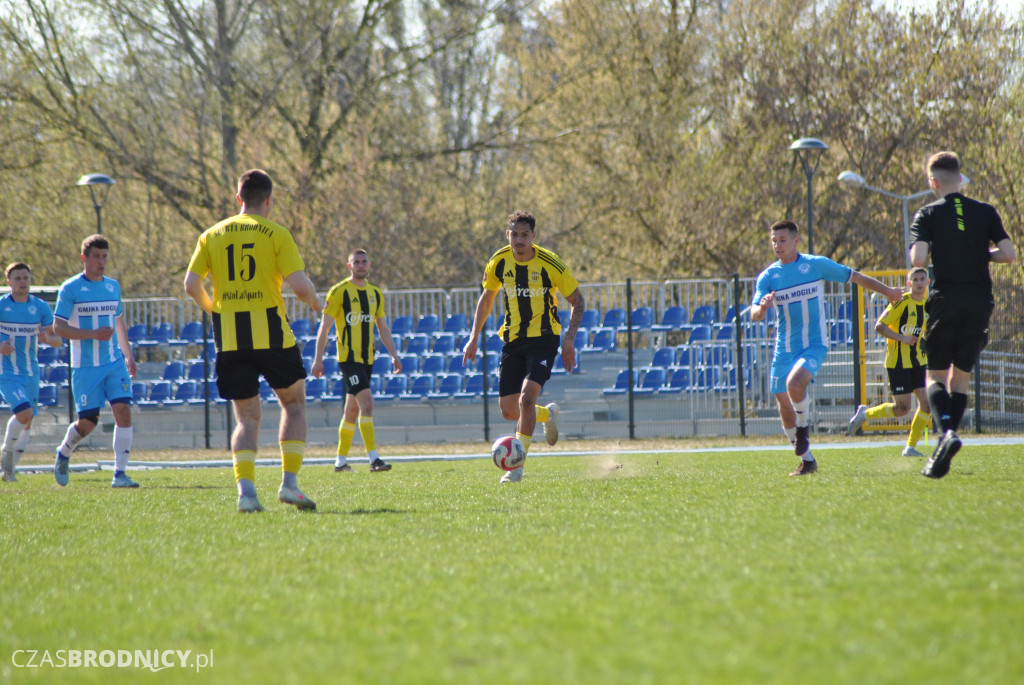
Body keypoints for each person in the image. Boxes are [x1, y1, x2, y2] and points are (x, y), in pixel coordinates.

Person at [185, 169, 324, 512]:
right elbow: (302, 288)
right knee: (293, 404)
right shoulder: (276, 233)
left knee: (246, 417)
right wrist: (319, 305)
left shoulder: (211, 235)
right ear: (269, 200)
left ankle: (246, 494)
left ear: (238, 199)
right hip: (272, 334)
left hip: (230, 338)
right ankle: (289, 485)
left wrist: (216, 310)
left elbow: (191, 284)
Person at [750, 220, 901, 476]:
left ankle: (804, 427)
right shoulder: (768, 276)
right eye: (774, 240)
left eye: (782, 240)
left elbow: (854, 276)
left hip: (814, 344)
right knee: (784, 406)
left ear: (796, 241)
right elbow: (754, 314)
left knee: (795, 384)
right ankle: (807, 460)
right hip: (784, 349)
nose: (777, 245)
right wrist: (762, 308)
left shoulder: (816, 265)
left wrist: (888, 291)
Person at [909, 151, 1015, 479]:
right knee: (961, 378)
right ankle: (948, 441)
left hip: (946, 300)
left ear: (934, 182)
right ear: (960, 178)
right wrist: (976, 252)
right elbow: (1009, 254)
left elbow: (919, 259)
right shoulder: (985, 211)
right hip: (981, 301)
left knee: (936, 376)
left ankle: (945, 434)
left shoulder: (927, 212)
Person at [462, 210, 585, 483]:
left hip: (544, 339)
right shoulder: (498, 261)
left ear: (534, 237)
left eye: (525, 235)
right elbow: (487, 299)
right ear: (508, 235)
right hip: (513, 340)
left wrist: (569, 340)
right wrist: (473, 338)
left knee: (526, 398)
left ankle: (516, 468)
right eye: (514, 234)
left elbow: (579, 301)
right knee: (509, 410)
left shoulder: (552, 265)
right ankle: (547, 414)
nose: (519, 240)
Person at [52, 235, 141, 488]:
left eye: (104, 257)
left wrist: (128, 354)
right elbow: (58, 327)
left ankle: (120, 474)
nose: (101, 262)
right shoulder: (70, 288)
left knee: (123, 411)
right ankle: (65, 451)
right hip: (85, 367)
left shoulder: (113, 286)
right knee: (88, 423)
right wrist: (92, 334)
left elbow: (119, 322)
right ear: (84, 258)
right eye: (96, 257)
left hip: (113, 363)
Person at [311, 249, 402, 474]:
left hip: (367, 359)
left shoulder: (375, 293)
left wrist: (394, 355)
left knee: (351, 411)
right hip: (348, 359)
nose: (361, 265)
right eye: (356, 262)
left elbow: (383, 328)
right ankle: (374, 460)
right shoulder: (339, 291)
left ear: (369, 264)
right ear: (349, 266)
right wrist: (318, 359)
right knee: (367, 404)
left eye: (364, 262)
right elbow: (325, 327)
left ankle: (340, 463)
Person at [848, 267, 932, 457]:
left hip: (918, 361)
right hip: (898, 363)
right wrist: (902, 338)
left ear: (927, 282)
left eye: (922, 279)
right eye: (915, 279)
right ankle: (865, 414)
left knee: (926, 405)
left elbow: (927, 333)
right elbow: (879, 326)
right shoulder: (901, 302)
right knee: (902, 409)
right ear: (909, 284)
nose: (919, 282)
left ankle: (910, 447)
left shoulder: (928, 306)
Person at [0, 263, 62, 481]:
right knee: (24, 413)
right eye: (18, 278)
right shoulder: (1, 306)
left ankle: (9, 473)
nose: (23, 282)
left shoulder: (41, 307)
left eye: (26, 278)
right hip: (6, 373)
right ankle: (6, 455)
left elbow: (57, 340)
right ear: (9, 282)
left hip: (31, 372)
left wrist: (48, 338)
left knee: (27, 422)